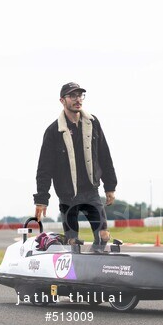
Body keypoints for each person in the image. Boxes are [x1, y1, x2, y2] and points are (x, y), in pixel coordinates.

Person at [34, 82, 117, 250]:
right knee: (73, 242)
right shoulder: (53, 131)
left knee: (103, 236)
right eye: (73, 96)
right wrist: (42, 199)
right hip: (67, 195)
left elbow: (104, 155)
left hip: (91, 191)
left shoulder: (93, 123)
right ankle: (74, 272)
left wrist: (110, 186)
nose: (78, 99)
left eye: (80, 95)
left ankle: (96, 268)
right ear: (62, 100)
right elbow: (44, 168)